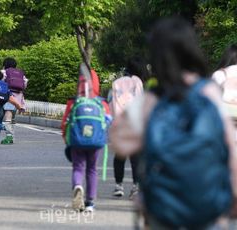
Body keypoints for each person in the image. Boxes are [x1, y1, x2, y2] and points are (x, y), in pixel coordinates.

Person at [110, 17, 237, 229]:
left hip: (163, 208)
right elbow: (229, 147)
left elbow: (119, 141)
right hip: (208, 204)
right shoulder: (209, 92)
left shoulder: (152, 99)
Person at [62, 64, 112, 212]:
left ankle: (77, 186)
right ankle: (90, 203)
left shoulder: (74, 101)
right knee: (92, 169)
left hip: (77, 140)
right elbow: (109, 120)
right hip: (96, 141)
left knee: (78, 167)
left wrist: (66, 138)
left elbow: (65, 122)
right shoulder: (101, 102)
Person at [109, 57, 145, 198]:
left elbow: (112, 103)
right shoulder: (137, 82)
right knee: (135, 157)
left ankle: (119, 186)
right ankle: (136, 187)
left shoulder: (116, 82)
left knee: (120, 156)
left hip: (118, 123)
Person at [0, 57, 27, 144]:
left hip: (9, 97)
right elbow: (25, 84)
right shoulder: (20, 73)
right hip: (19, 98)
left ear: (4, 65)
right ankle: (11, 135)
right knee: (12, 119)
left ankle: (9, 137)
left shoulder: (4, 72)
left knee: (8, 118)